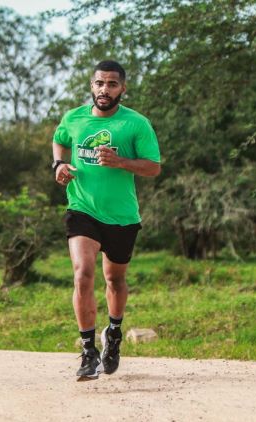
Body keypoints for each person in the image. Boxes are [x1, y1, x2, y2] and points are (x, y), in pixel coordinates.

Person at [52, 60, 161, 381]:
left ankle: (113, 334)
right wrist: (58, 164)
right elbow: (60, 139)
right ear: (91, 85)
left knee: (114, 280)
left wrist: (121, 161)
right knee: (83, 273)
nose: (105, 90)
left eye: (112, 84)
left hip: (122, 216)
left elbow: (153, 168)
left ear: (123, 89)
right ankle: (88, 352)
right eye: (100, 83)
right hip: (82, 208)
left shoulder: (136, 124)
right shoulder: (74, 118)